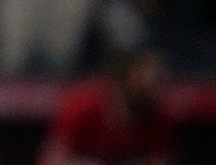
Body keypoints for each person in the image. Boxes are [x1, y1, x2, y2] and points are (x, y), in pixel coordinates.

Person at [36, 44, 176, 165]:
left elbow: (162, 158)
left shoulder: (158, 115)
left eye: (159, 78)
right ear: (123, 76)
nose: (157, 85)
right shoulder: (82, 105)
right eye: (146, 76)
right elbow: (51, 160)